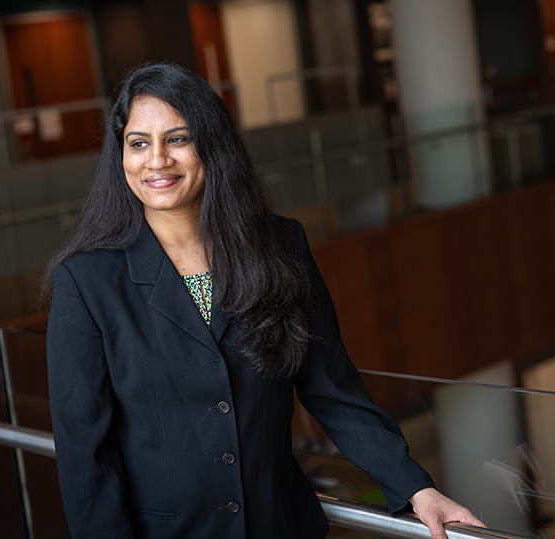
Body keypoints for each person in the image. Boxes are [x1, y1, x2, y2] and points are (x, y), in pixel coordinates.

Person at [43, 62, 485, 539]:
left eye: (178, 139)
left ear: (212, 146)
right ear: (121, 155)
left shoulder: (280, 245)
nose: (157, 161)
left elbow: (332, 388)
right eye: (138, 143)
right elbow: (84, 450)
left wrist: (416, 488)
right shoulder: (87, 280)